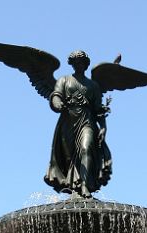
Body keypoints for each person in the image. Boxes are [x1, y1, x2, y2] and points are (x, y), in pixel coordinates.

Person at [45, 50, 112, 197]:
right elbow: (56, 95)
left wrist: (103, 127)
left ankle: (84, 185)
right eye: (75, 62)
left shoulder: (93, 86)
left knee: (86, 148)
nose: (78, 65)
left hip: (87, 121)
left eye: (81, 62)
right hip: (68, 122)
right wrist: (57, 103)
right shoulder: (64, 80)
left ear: (86, 65)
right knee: (69, 159)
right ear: (72, 64)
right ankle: (73, 186)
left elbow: (98, 109)